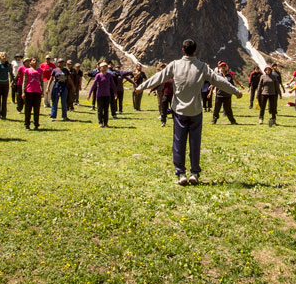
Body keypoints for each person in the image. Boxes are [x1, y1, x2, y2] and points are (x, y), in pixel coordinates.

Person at [135, 39, 243, 185]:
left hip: (179, 111)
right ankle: (194, 173)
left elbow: (158, 77)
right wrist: (235, 91)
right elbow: (218, 81)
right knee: (195, 142)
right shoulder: (202, 66)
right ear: (195, 51)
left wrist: (141, 86)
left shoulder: (175, 65)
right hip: (196, 111)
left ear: (183, 50)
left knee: (178, 142)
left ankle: (181, 174)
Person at [88, 62, 116, 128]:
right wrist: (89, 94)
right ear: (100, 68)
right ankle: (100, 123)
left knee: (106, 109)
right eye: (103, 66)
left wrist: (115, 93)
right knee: (100, 109)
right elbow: (93, 85)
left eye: (106, 66)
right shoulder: (98, 75)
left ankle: (106, 123)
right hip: (99, 95)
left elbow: (113, 85)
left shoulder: (109, 75)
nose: (105, 68)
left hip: (107, 95)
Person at [19, 57, 43, 130]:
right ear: (30, 62)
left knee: (36, 109)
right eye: (33, 60)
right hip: (29, 91)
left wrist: (42, 91)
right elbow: (24, 82)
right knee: (28, 109)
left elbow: (41, 81)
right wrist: (23, 92)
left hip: (37, 92)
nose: (34, 61)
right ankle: (27, 124)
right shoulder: (27, 70)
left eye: (36, 60)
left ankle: (36, 124)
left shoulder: (40, 70)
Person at [0, 52, 12, 119]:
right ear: (0, 57)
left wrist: (13, 81)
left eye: (5, 56)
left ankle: (4, 115)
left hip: (6, 84)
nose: (4, 57)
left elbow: (11, 74)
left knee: (4, 100)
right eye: (3, 56)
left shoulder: (8, 65)